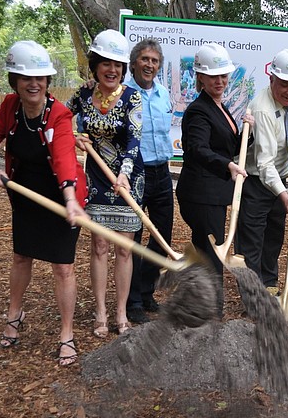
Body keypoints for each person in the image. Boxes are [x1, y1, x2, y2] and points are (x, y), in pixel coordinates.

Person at [0, 40, 88, 366]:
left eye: (40, 77)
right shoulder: (11, 106)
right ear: (15, 81)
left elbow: (66, 158)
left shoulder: (60, 115)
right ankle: (14, 314)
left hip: (62, 197)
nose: (34, 83)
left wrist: (69, 199)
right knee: (21, 256)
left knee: (63, 266)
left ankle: (66, 333)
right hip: (24, 193)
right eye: (26, 78)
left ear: (48, 81)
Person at [67, 29, 143, 338]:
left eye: (118, 65)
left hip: (128, 178)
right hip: (97, 179)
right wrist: (74, 137)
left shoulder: (132, 97)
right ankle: (99, 311)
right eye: (106, 64)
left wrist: (124, 174)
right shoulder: (83, 95)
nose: (112, 70)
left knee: (124, 249)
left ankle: (121, 311)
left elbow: (134, 141)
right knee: (99, 245)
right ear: (95, 65)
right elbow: (59, 118)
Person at [176, 43, 250, 313]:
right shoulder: (198, 110)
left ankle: (204, 308)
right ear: (200, 78)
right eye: (213, 76)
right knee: (211, 252)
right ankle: (209, 312)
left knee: (210, 251)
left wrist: (246, 134)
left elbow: (225, 144)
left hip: (212, 194)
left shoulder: (218, 106)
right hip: (200, 194)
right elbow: (197, 148)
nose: (220, 81)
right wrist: (227, 164)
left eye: (223, 75)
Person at [236, 49, 288, 287]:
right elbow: (264, 163)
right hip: (257, 183)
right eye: (285, 85)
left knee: (274, 239)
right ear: (271, 79)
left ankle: (271, 288)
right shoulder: (262, 108)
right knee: (251, 242)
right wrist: (284, 196)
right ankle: (253, 296)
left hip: (281, 181)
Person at [122, 39, 174, 323]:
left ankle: (146, 291)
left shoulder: (164, 94)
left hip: (162, 172)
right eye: (145, 59)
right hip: (135, 172)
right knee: (134, 239)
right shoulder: (125, 94)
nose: (150, 65)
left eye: (154, 61)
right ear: (134, 63)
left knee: (161, 236)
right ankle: (132, 303)